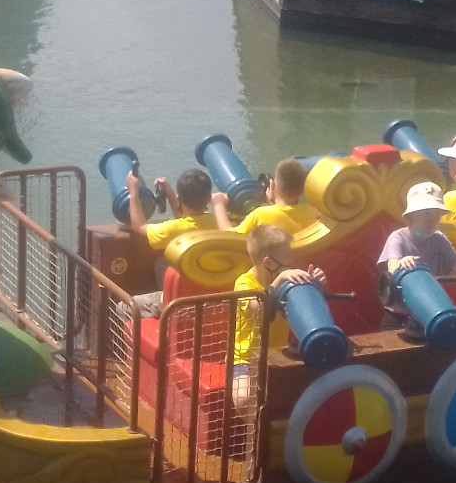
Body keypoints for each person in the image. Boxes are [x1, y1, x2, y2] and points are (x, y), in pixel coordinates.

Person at [231, 224, 327, 408]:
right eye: (286, 256)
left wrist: (314, 285)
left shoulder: (288, 280)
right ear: (268, 262)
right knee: (243, 399)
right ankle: (253, 427)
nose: (291, 260)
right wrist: (280, 280)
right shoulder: (244, 284)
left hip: (279, 354)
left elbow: (306, 308)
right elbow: (258, 307)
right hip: (247, 359)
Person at [377, 181, 456, 330]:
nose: (431, 220)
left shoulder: (439, 239)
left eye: (436, 214)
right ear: (410, 217)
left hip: (430, 315)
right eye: (425, 214)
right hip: (399, 318)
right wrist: (402, 264)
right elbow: (392, 273)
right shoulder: (397, 238)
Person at [124, 168, 216, 317]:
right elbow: (186, 218)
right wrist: (168, 192)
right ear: (209, 198)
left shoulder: (173, 229)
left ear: (180, 198)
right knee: (161, 264)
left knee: (124, 306)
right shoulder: (214, 221)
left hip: (179, 301)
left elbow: (139, 227)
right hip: (210, 296)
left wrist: (133, 193)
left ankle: (166, 321)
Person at [211, 157, 318, 235]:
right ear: (304, 190)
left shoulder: (260, 215)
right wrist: (271, 203)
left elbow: (230, 235)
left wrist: (218, 205)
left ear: (272, 185)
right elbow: (286, 216)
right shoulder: (311, 213)